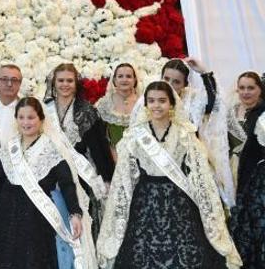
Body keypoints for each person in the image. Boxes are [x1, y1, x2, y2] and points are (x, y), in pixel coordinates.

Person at [97, 81, 242, 268]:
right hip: (144, 202)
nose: (156, 105)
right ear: (146, 104)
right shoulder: (134, 136)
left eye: (162, 100)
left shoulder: (185, 134)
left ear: (172, 104)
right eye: (152, 101)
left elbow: (200, 173)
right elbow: (124, 176)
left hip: (180, 201)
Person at [0, 97, 94, 269]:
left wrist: (74, 213)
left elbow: (66, 183)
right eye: (21, 117)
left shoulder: (51, 148)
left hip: (37, 217)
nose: (26, 122)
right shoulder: (9, 147)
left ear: (41, 119)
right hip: (5, 215)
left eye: (31, 117)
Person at [43, 63, 113, 241]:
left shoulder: (87, 111)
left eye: (69, 81)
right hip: (49, 174)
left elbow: (99, 147)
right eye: (61, 80)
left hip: (79, 176)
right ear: (53, 82)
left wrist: (106, 178)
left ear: (76, 84)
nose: (65, 84)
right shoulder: (44, 109)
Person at [155, 58, 234, 205]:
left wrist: (204, 74)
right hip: (159, 165)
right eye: (166, 79)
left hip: (189, 165)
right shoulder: (151, 100)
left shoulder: (192, 101)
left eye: (176, 82)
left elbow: (213, 103)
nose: (170, 85)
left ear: (185, 84)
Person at [229, 72, 265, 268]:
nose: (245, 92)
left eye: (250, 88)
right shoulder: (234, 111)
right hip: (237, 178)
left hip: (258, 185)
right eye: (241, 88)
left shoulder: (262, 114)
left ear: (260, 89)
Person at [95, 63, 140, 159]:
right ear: (114, 80)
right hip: (112, 156)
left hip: (138, 155)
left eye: (128, 76)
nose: (124, 80)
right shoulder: (105, 103)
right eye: (120, 76)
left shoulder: (142, 102)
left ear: (134, 80)